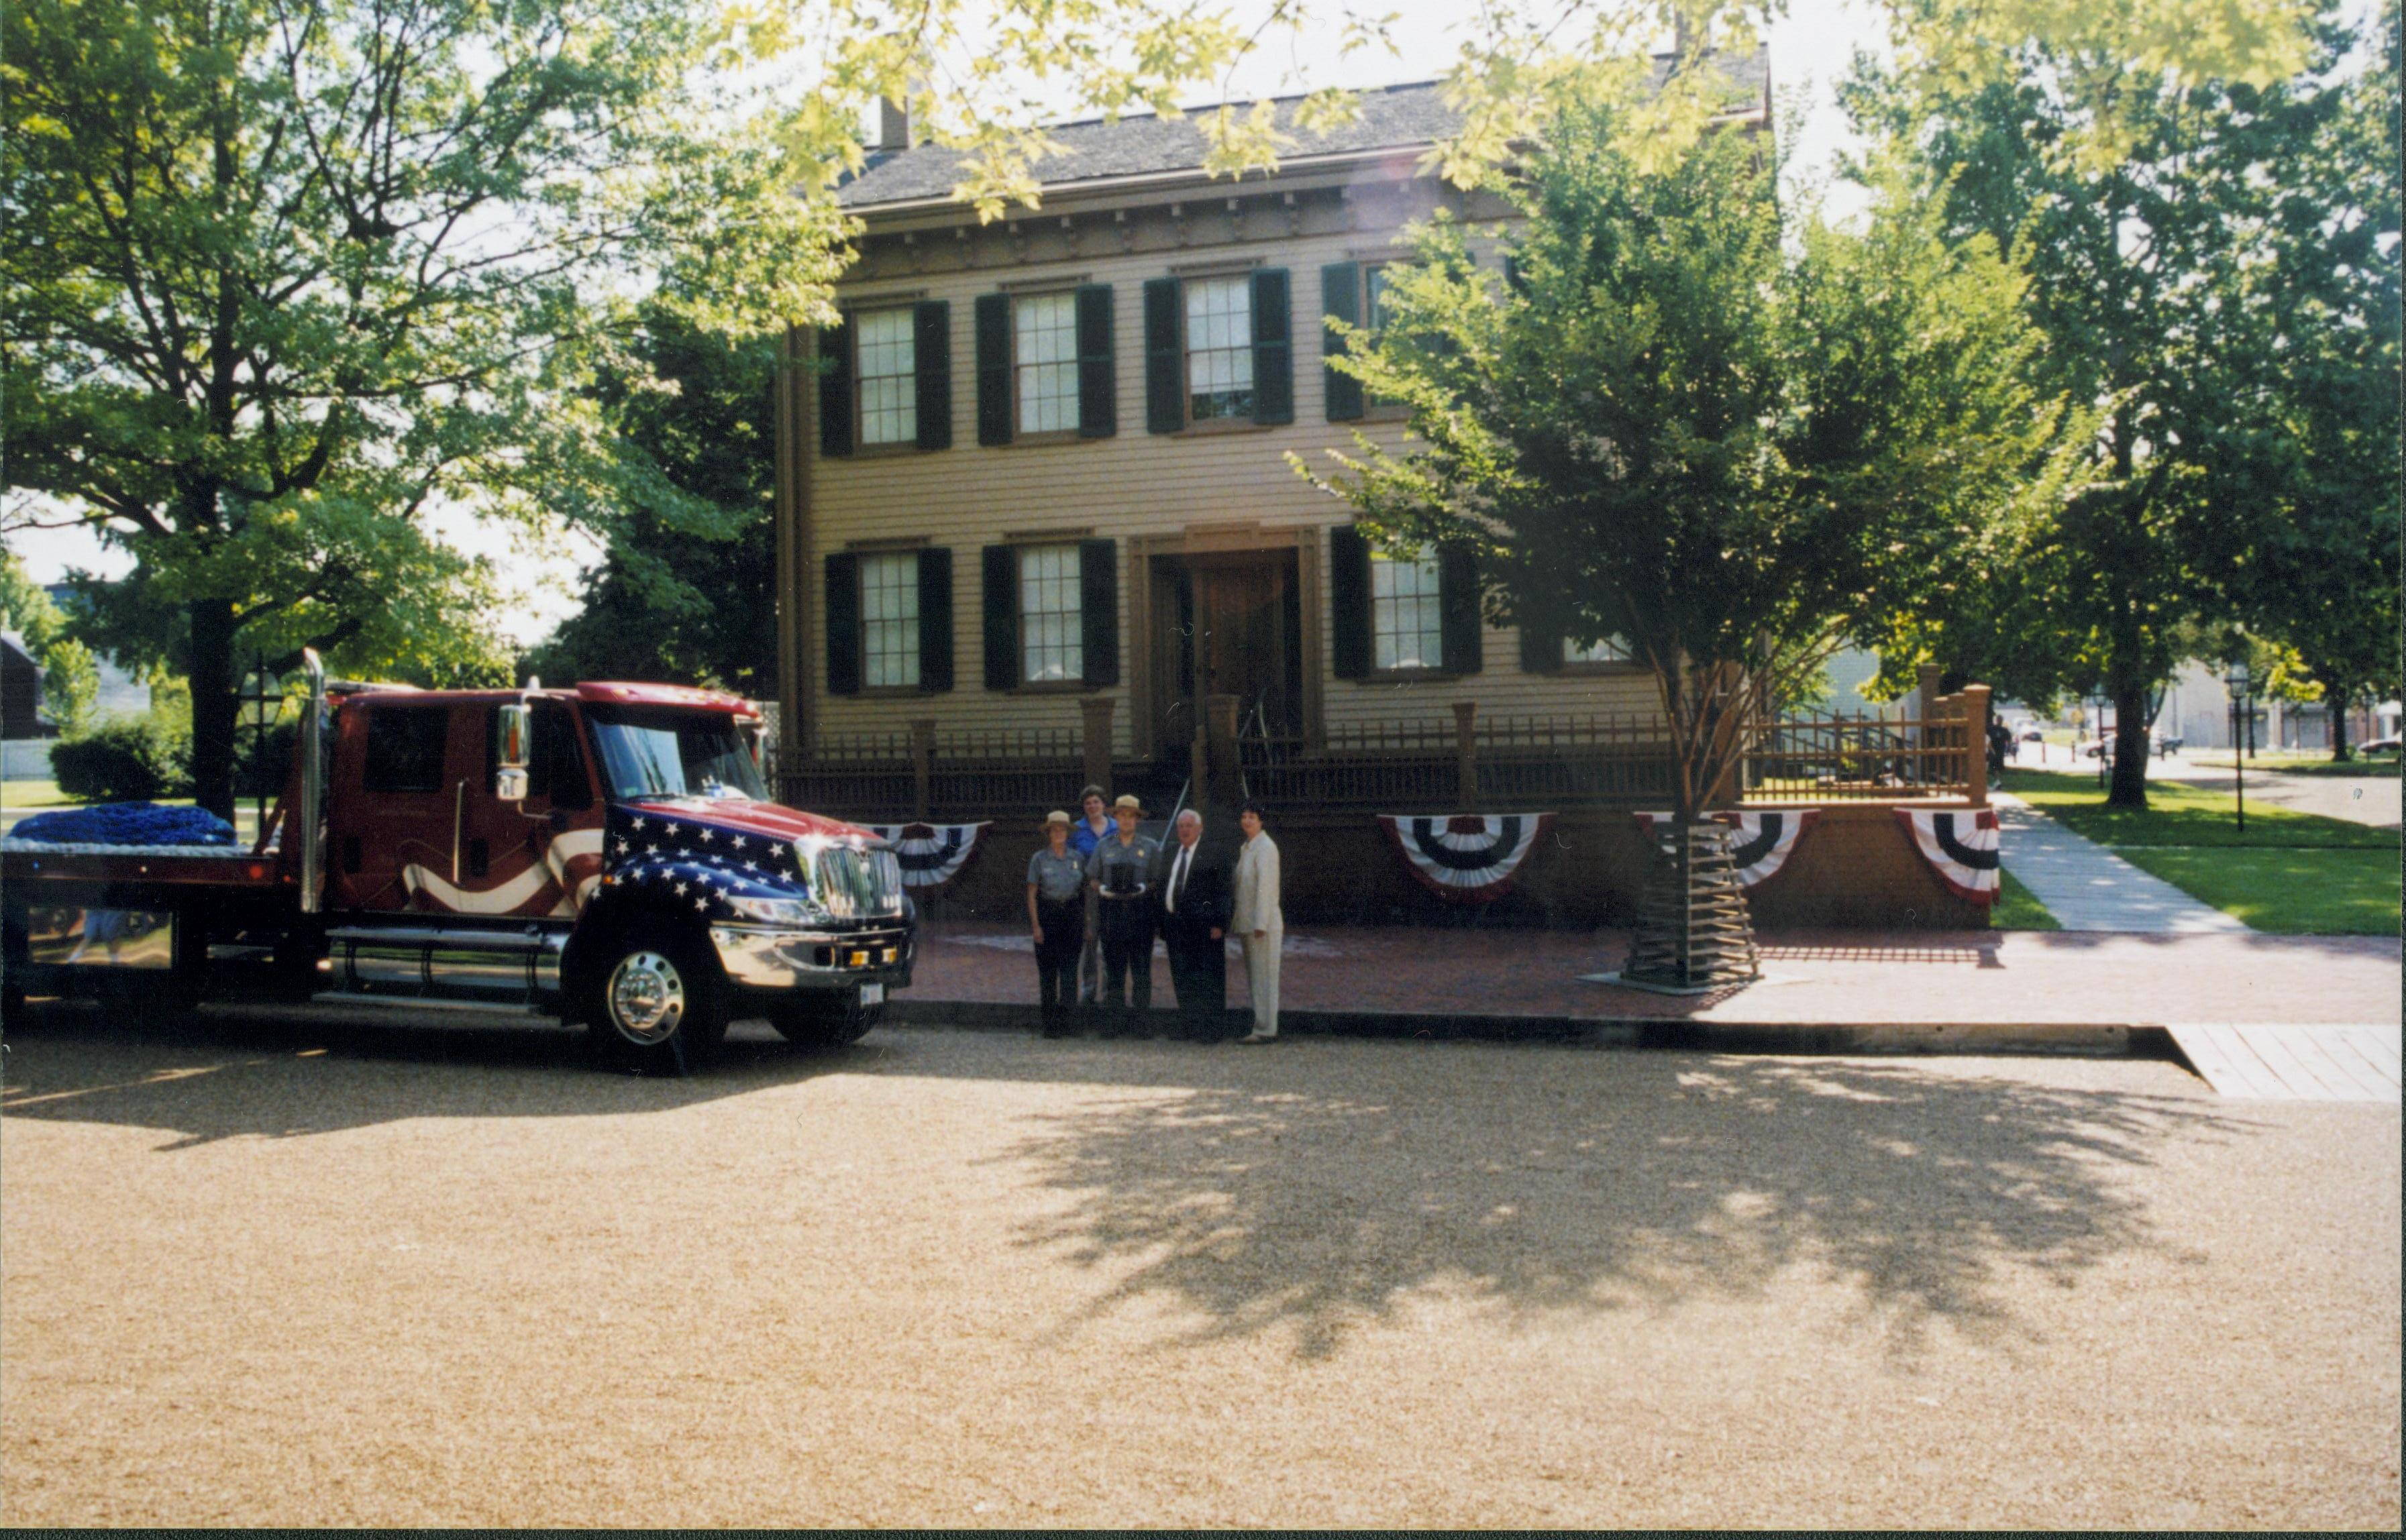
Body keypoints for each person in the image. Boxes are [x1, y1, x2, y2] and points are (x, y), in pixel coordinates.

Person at [1085, 793, 1159, 1036]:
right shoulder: (1104, 846)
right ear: (1115, 817)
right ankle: (1113, 1025)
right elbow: (1093, 877)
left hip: (1140, 913)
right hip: (1112, 912)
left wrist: (1145, 888)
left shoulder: (1150, 847)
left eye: (1131, 816)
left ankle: (1141, 1025)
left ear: (1137, 819)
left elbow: (1156, 880)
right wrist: (1102, 889)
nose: (1127, 820)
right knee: (1114, 971)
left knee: (1141, 972)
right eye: (1122, 815)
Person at [1153, 809, 1229, 1040]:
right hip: (1176, 927)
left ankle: (1212, 1030)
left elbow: (1224, 891)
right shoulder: (1170, 853)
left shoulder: (1214, 854)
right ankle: (1189, 1026)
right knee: (1182, 978)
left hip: (1205, 928)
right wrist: (1161, 922)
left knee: (1208, 978)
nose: (1185, 830)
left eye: (1189, 826)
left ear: (1200, 829)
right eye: (1181, 826)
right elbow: (1162, 887)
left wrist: (1220, 922)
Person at [1026, 811, 1088, 1038]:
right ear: (1049, 833)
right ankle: (1050, 1027)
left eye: (1063, 829)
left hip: (1071, 915)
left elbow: (1083, 892)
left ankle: (1070, 1024)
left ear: (1068, 833)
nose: (1059, 833)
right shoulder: (1039, 859)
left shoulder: (1077, 859)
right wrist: (1036, 925)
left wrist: (1085, 921)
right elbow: (1032, 893)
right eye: (1055, 830)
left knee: (1070, 973)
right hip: (1048, 915)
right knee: (1048, 974)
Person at [1229, 802, 1283, 1044]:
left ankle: (1266, 1028)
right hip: (1249, 923)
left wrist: (1261, 923)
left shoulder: (1266, 848)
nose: (1247, 821)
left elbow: (1266, 888)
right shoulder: (1247, 848)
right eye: (1244, 817)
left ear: (1261, 821)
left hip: (1263, 925)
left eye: (1252, 817)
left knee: (1265, 977)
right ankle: (1260, 1024)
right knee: (1256, 977)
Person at [1068, 785, 1111, 1007]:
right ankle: (1089, 988)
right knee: (1090, 940)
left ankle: (1110, 990)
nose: (1092, 806)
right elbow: (1069, 859)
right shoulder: (1076, 830)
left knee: (1111, 942)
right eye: (1088, 803)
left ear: (1104, 804)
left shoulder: (1115, 828)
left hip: (1113, 892)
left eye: (1096, 801)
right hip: (1088, 894)